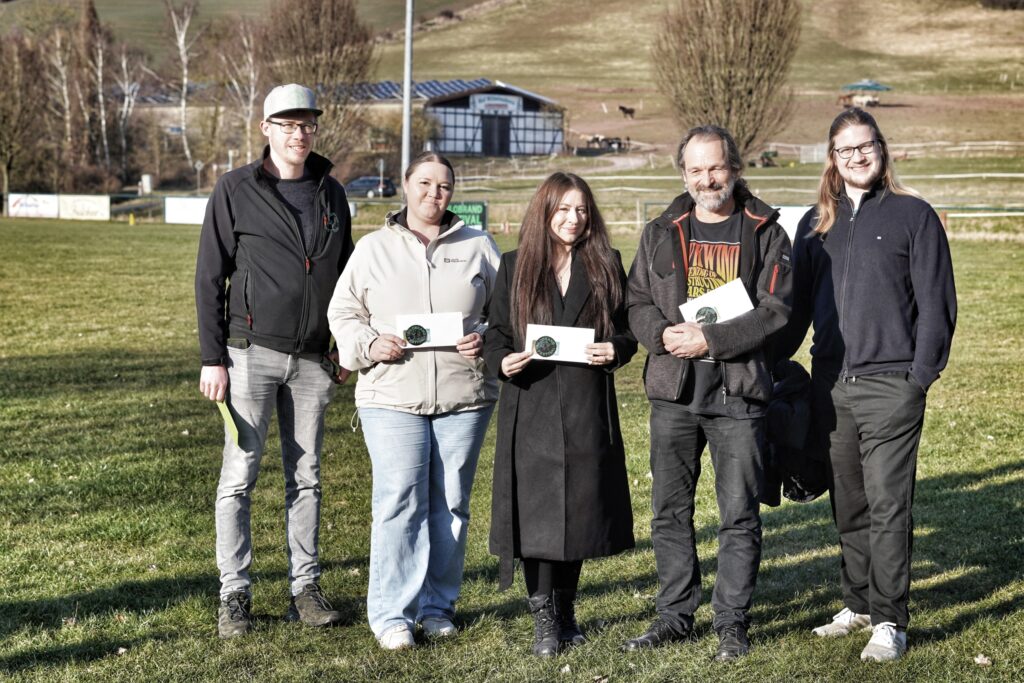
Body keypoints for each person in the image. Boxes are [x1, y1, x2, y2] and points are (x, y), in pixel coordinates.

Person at [777, 108, 956, 662]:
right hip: (832, 387)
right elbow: (796, 308)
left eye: (865, 145)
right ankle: (856, 603)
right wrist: (761, 359)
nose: (856, 156)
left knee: (887, 503)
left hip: (891, 385)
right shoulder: (815, 226)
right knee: (849, 504)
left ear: (881, 148)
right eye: (845, 148)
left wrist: (917, 379)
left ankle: (890, 620)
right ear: (832, 159)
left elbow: (938, 305)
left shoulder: (914, 215)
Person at [624, 125, 792, 661]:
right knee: (670, 511)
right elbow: (636, 301)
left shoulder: (766, 231)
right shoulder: (659, 231)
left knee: (738, 512)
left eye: (715, 167)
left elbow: (776, 312)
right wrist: (661, 335)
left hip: (738, 393)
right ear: (684, 175)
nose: (706, 179)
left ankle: (731, 622)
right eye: (695, 170)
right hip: (674, 394)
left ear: (735, 168)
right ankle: (674, 615)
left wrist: (712, 339)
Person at [195, 83, 354, 639]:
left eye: (306, 123)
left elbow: (345, 280)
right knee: (239, 477)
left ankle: (304, 589)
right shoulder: (236, 188)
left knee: (306, 477)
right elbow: (210, 276)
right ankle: (234, 593)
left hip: (312, 361)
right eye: (286, 124)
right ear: (266, 128)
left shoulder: (333, 194)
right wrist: (212, 357)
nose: (298, 133)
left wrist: (343, 344)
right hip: (248, 356)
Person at [327, 151, 500, 651]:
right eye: (424, 183)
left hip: (463, 397)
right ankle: (391, 616)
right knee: (399, 502)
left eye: (444, 186)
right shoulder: (373, 248)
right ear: (405, 186)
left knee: (450, 505)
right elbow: (344, 311)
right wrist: (367, 346)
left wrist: (484, 339)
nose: (434, 194)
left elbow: (506, 314)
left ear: (453, 193)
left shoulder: (478, 246)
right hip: (390, 396)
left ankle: (437, 607)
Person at [483, 172, 637, 657]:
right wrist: (500, 361)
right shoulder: (514, 267)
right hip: (532, 403)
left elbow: (629, 329)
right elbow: (497, 333)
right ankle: (543, 619)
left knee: (581, 511)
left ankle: (567, 612)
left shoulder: (607, 263)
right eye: (564, 209)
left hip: (587, 405)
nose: (573, 219)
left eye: (582, 210)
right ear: (545, 211)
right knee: (537, 515)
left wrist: (615, 348)